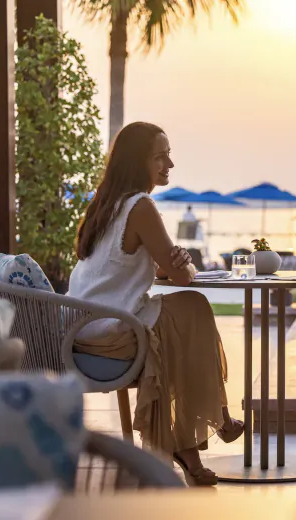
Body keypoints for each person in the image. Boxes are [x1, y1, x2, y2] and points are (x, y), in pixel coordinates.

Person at [67, 122, 243, 486]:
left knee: (181, 319)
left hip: (84, 327)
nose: (169, 165)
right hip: (112, 333)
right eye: (160, 157)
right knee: (192, 308)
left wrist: (170, 260)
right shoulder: (141, 207)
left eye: (169, 155)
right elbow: (182, 276)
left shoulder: (104, 206)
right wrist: (182, 261)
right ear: (137, 163)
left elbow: (142, 264)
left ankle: (191, 447)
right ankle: (215, 420)